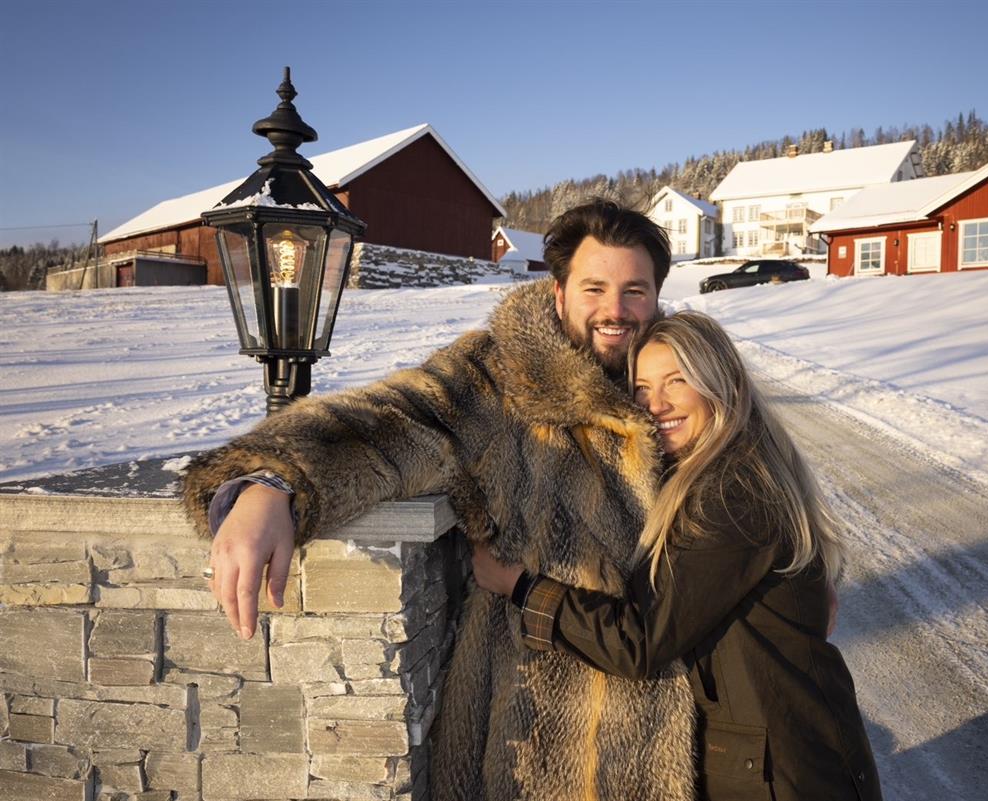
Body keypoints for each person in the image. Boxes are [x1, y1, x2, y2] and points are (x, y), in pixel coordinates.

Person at [182, 200, 696, 800]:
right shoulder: (501, 378)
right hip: (541, 728)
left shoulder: (683, 373)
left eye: (634, 290)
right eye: (595, 288)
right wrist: (272, 481)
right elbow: (388, 420)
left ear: (657, 296)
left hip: (685, 711)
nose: (615, 310)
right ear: (558, 293)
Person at [472, 311, 883, 801]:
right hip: (786, 752)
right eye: (642, 388)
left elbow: (641, 641)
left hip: (782, 775)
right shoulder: (722, 464)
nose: (656, 403)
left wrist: (518, 585)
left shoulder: (732, 493)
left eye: (676, 381)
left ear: (719, 384)